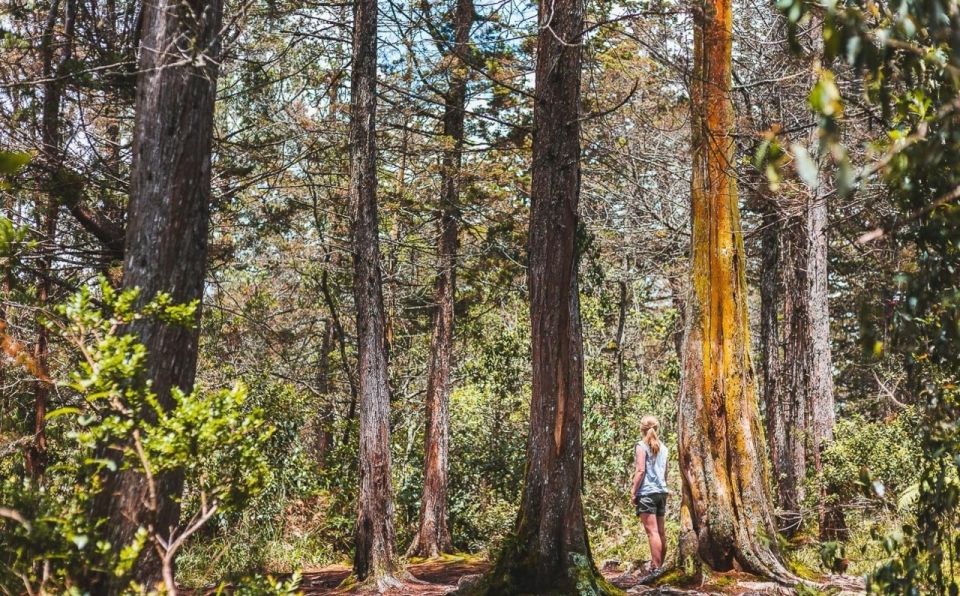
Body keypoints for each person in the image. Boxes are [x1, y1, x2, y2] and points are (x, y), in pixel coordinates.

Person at [630, 415, 669, 572]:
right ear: (657, 428)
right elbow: (665, 472)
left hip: (647, 493)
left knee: (652, 533)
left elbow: (640, 470)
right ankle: (660, 567)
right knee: (660, 532)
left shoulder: (641, 446)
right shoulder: (664, 448)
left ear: (642, 429)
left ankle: (656, 568)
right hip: (661, 492)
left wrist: (633, 491)